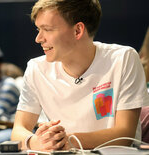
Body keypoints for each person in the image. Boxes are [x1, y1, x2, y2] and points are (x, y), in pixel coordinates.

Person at [11, 0, 149, 151]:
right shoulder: (36, 68)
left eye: (47, 29)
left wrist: (69, 141)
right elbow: (18, 130)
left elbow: (124, 134)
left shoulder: (123, 59)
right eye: (38, 29)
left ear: (78, 30)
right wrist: (39, 142)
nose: (38, 38)